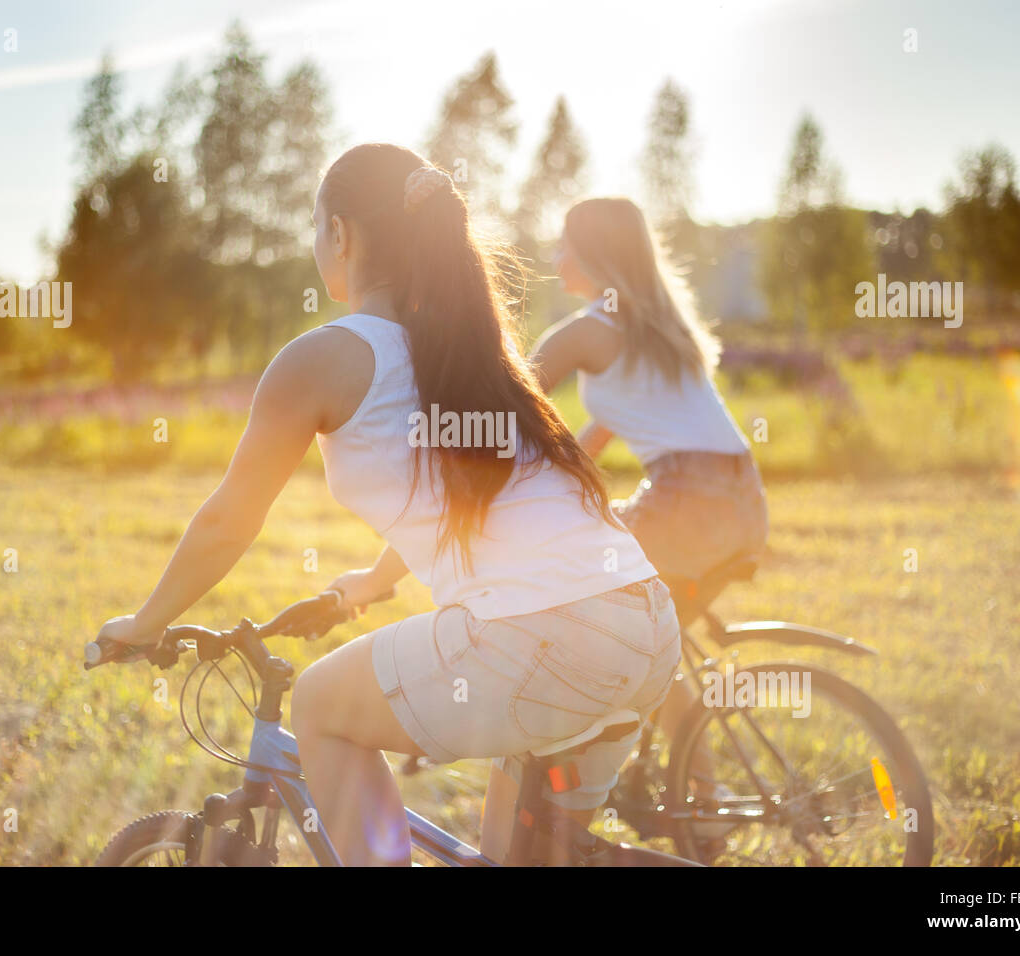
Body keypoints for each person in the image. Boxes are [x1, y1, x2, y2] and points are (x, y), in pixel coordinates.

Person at [95, 146, 681, 866]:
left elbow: (228, 521)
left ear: (340, 234)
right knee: (513, 856)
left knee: (319, 706)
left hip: (539, 636)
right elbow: (460, 494)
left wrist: (144, 623)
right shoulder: (478, 359)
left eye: (315, 230)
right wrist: (371, 585)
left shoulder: (323, 359)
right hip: (643, 623)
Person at [528, 196, 769, 789]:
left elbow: (511, 397)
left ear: (593, 253)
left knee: (582, 611)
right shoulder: (661, 330)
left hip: (689, 501)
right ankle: (690, 793)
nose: (557, 258)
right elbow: (591, 441)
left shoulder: (590, 330)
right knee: (648, 641)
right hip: (743, 502)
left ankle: (607, 781)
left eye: (566, 244)